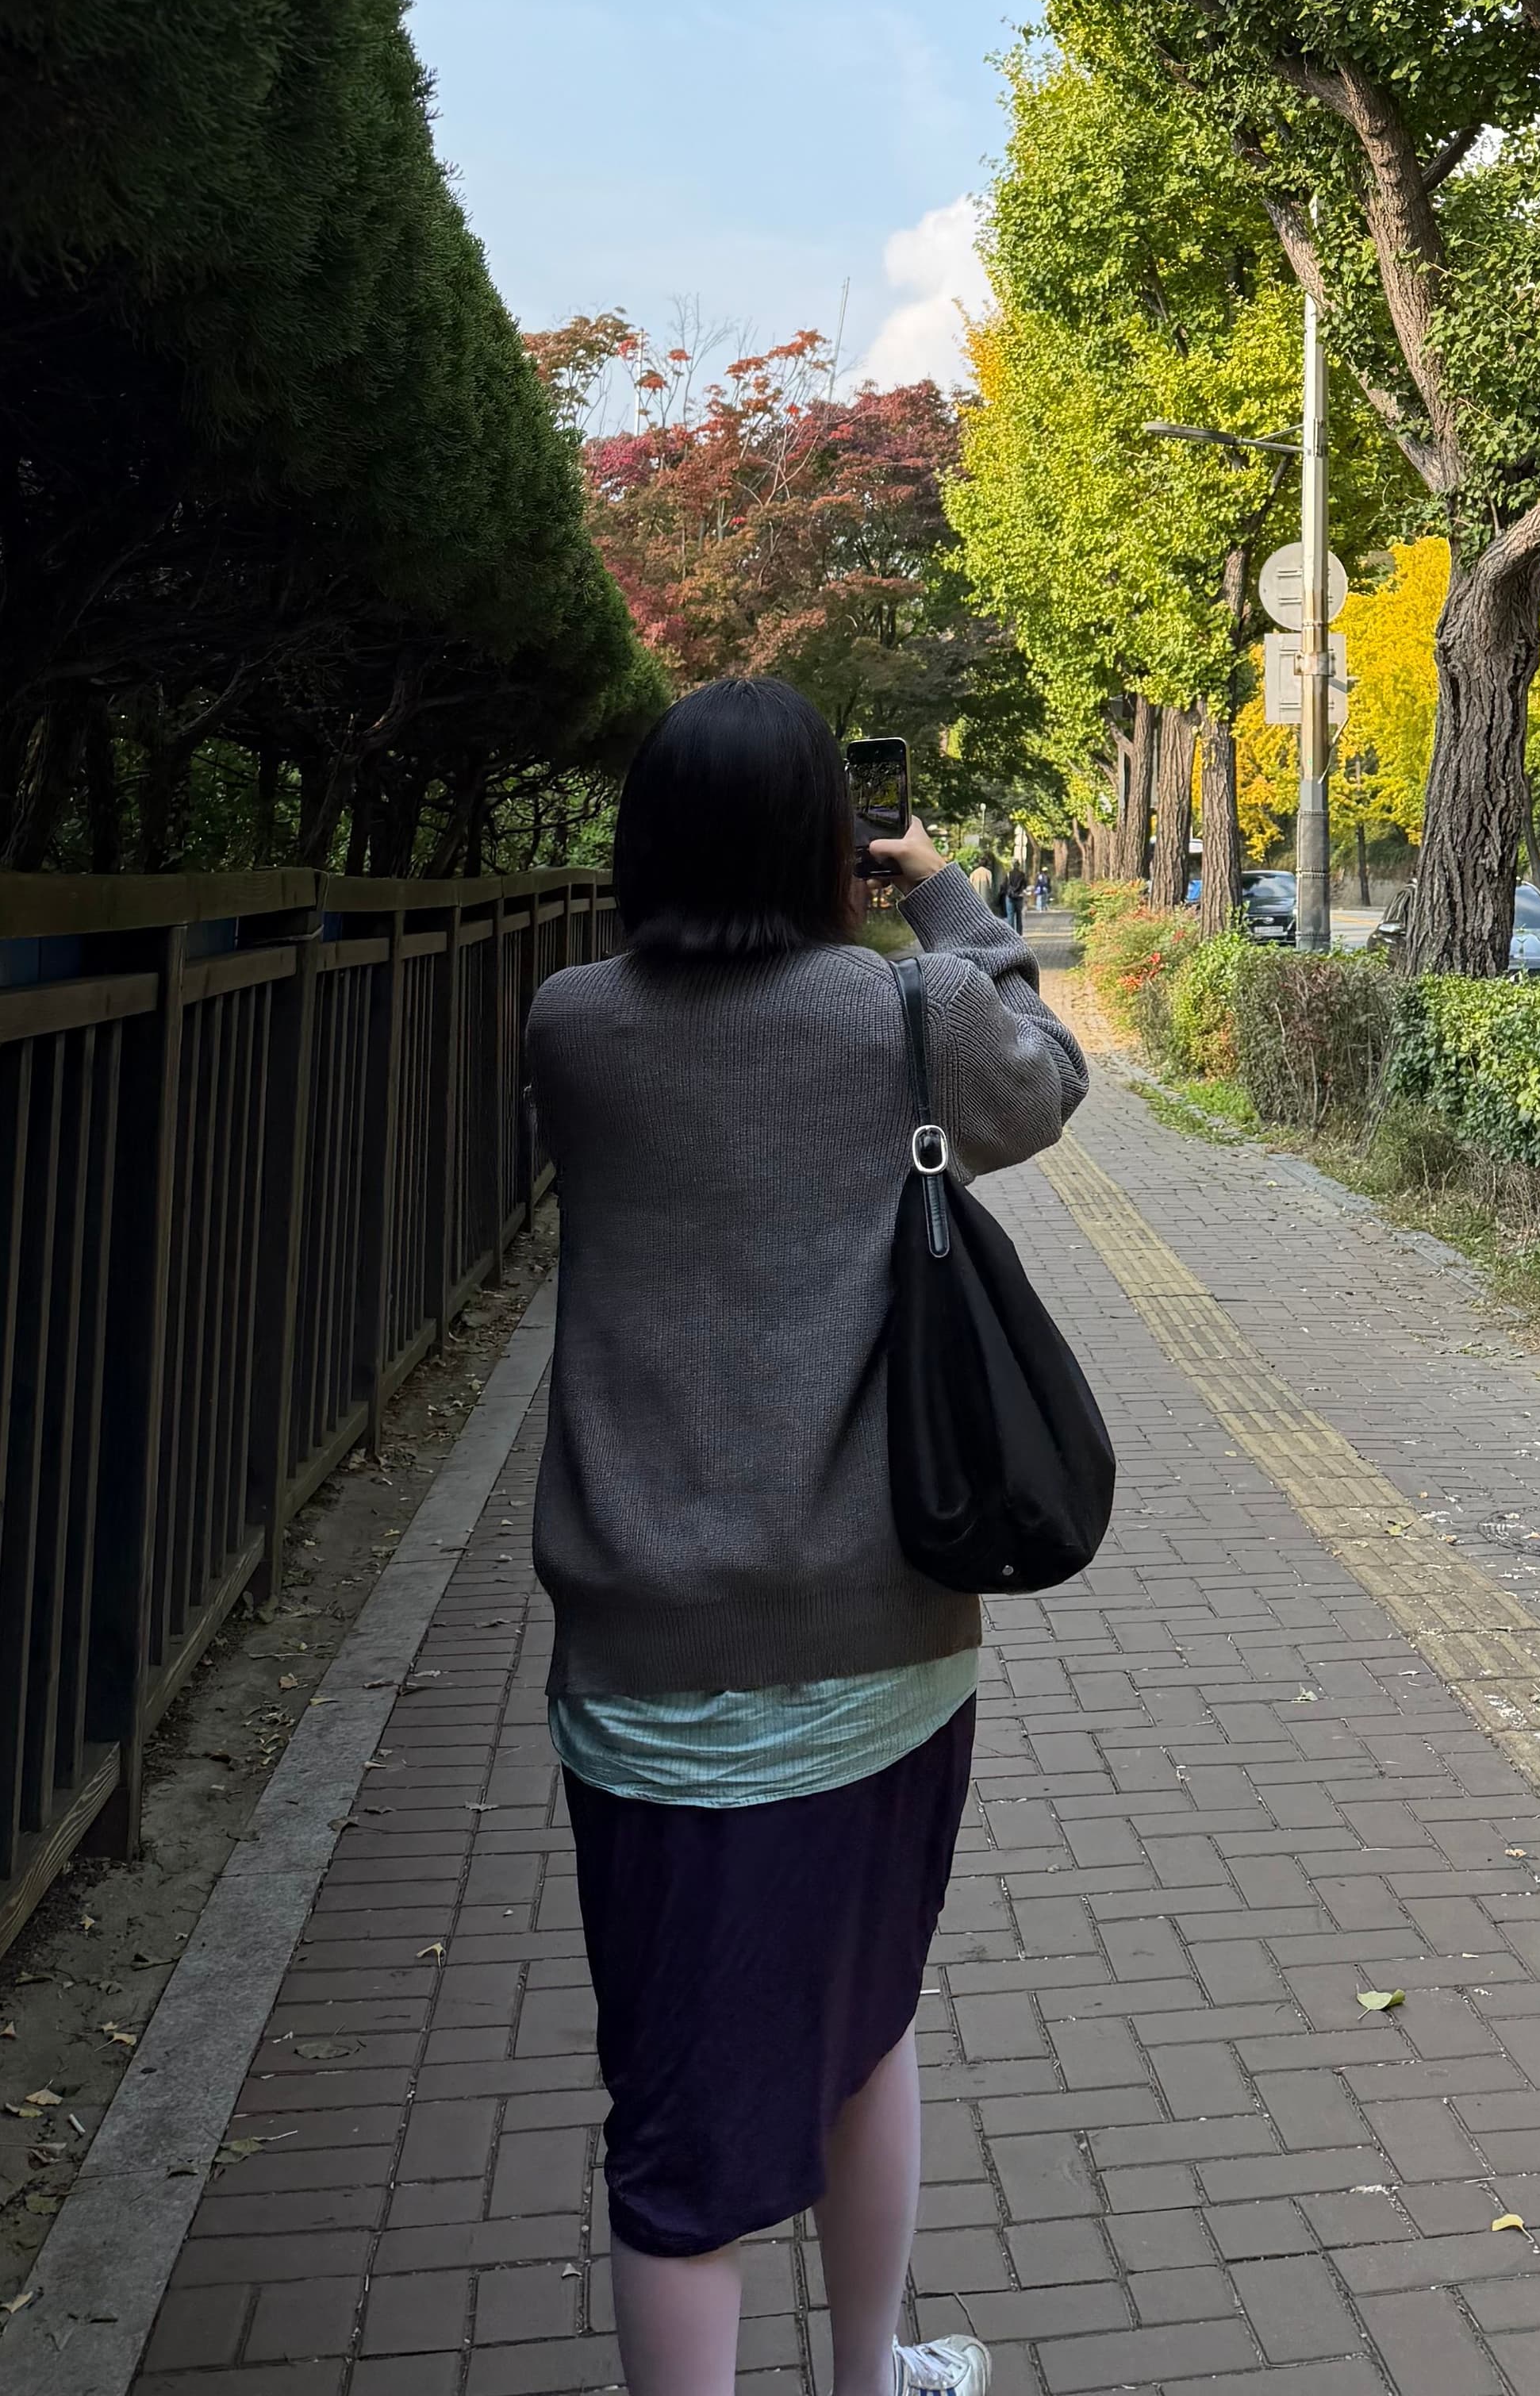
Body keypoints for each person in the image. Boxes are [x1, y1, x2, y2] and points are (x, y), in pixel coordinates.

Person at [524, 677, 1089, 2396]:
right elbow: (1047, 1081)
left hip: (643, 1668)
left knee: (683, 2116)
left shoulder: (567, 1023)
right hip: (879, 1648)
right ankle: (867, 2373)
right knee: (861, 2022)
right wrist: (946, 899)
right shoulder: (896, 1013)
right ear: (826, 841)